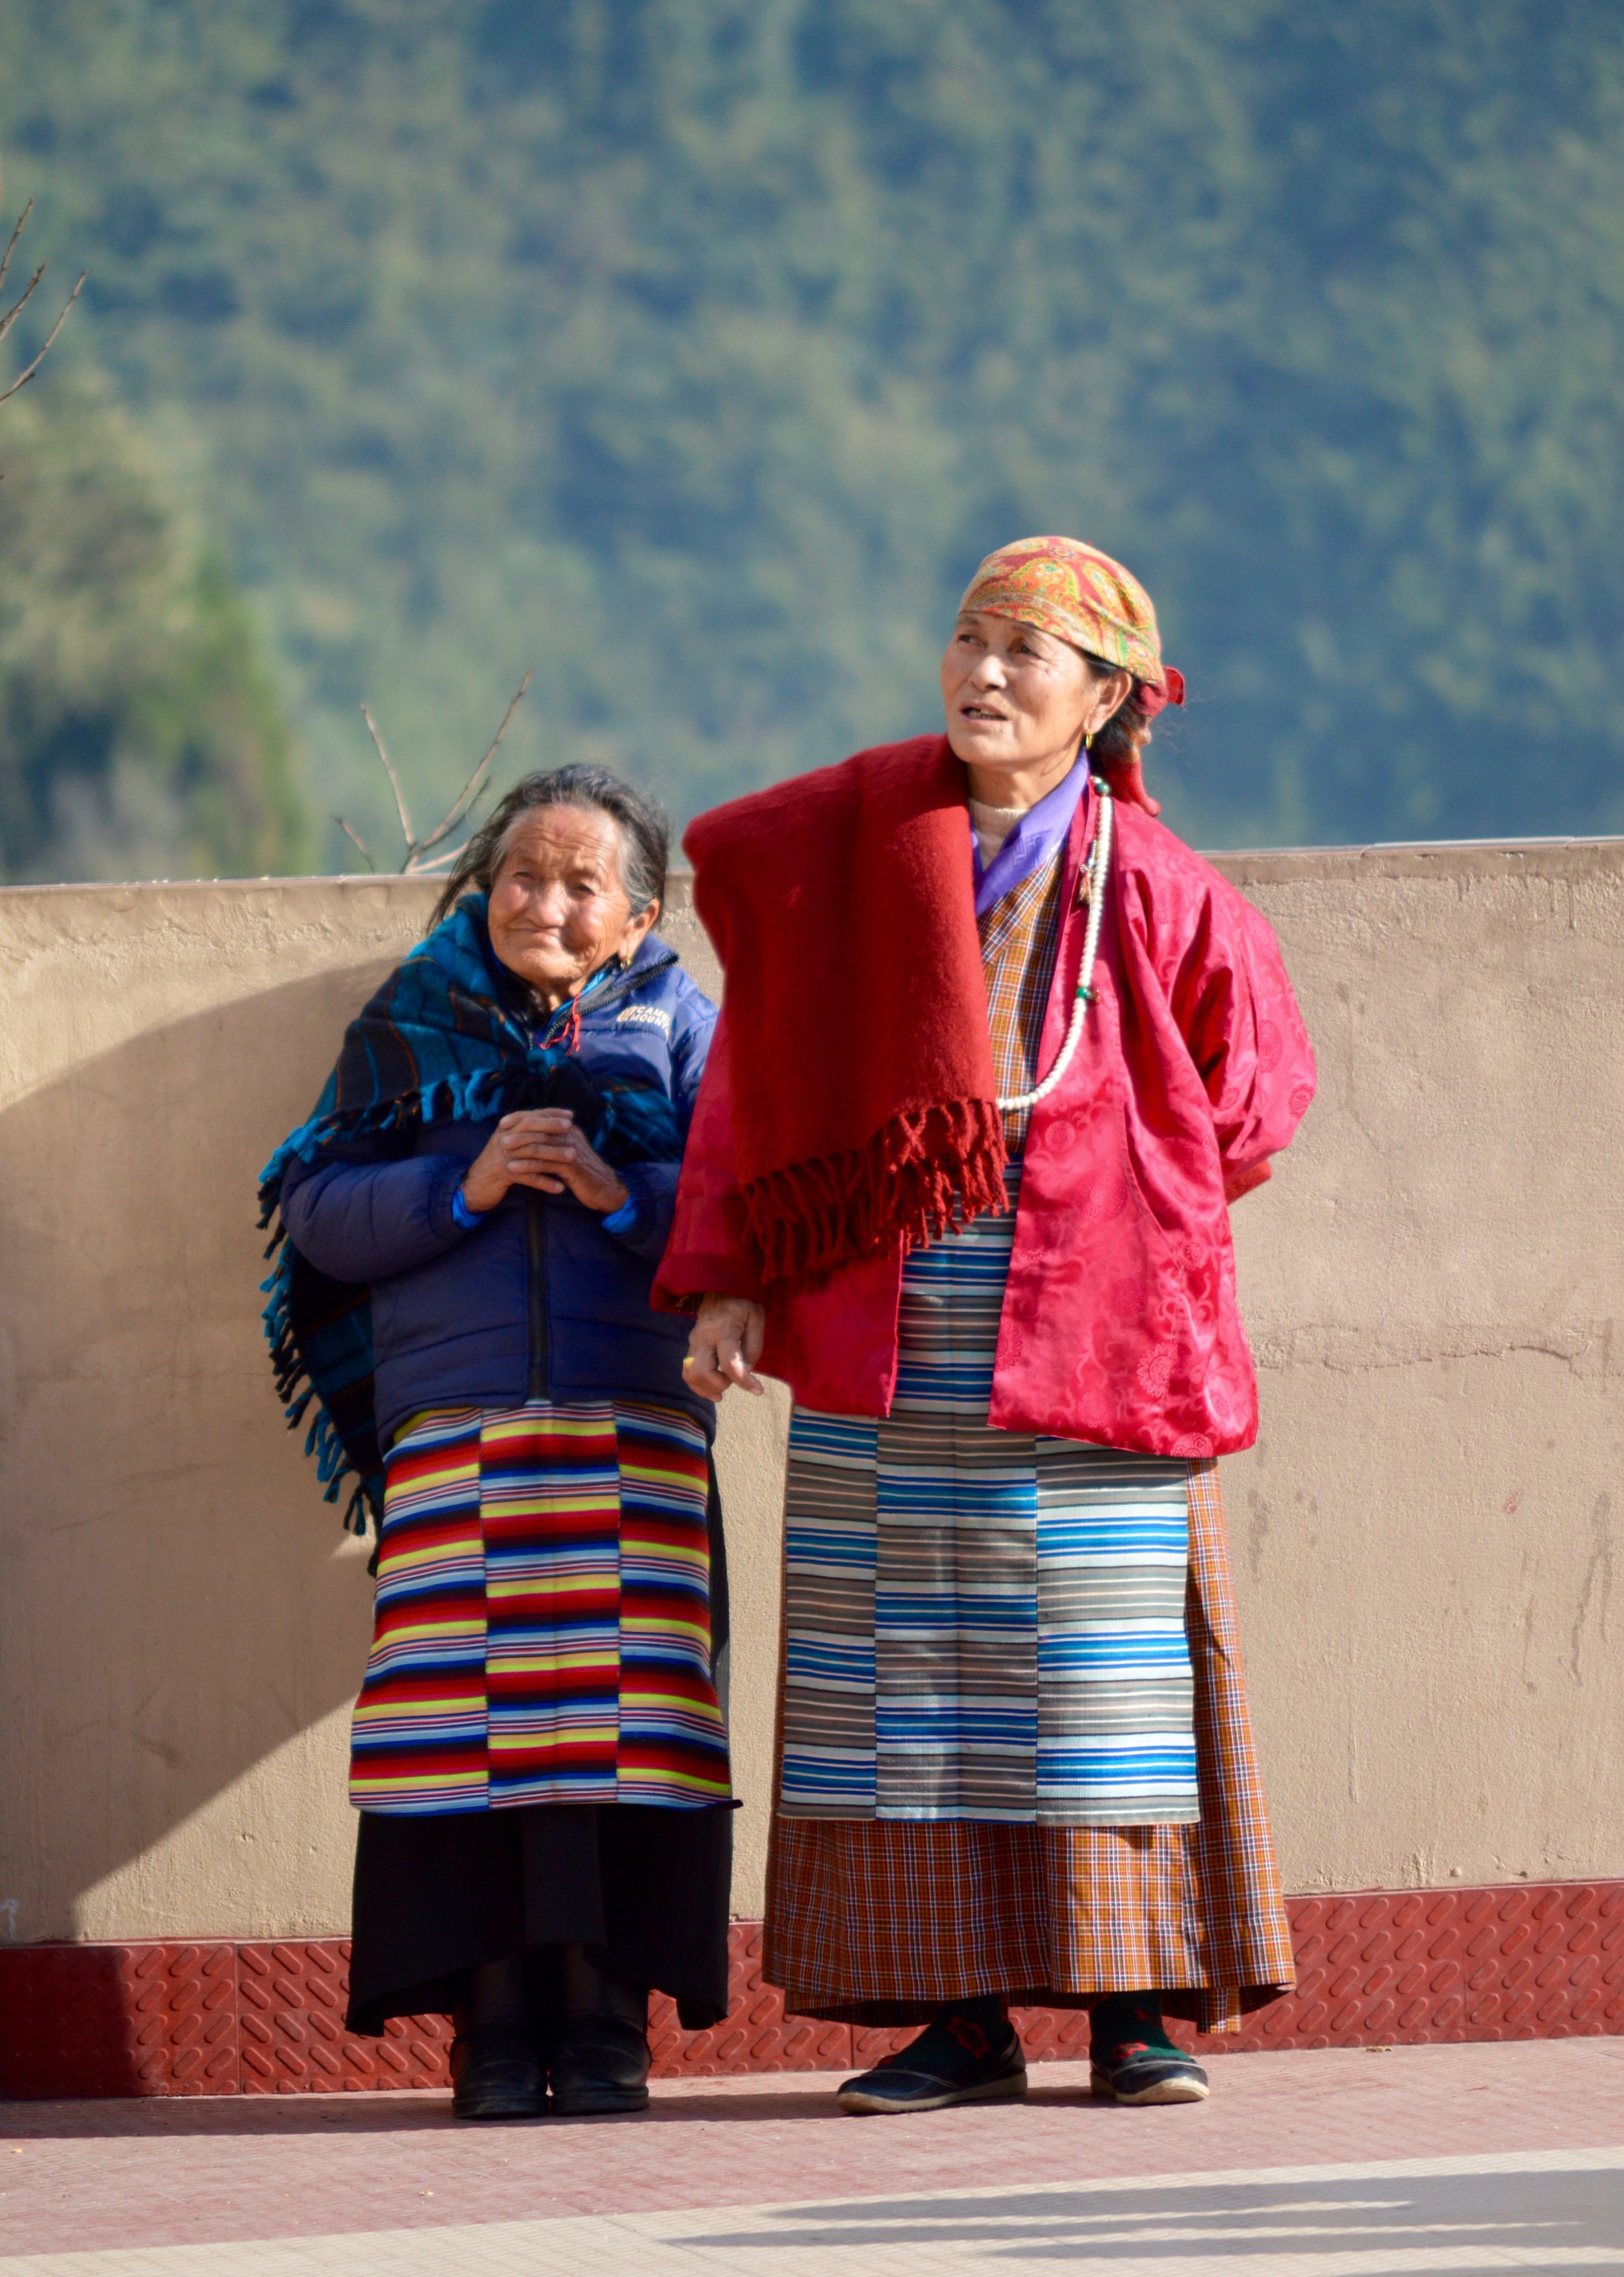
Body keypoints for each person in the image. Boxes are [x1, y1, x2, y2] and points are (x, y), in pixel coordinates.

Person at [657, 535, 1315, 2114]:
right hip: (884, 1319)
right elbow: (756, 1079)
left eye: (1027, 652)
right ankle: (957, 2022)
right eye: (968, 639)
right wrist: (735, 1268)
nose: (985, 673)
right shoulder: (860, 865)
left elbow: (1254, 1096)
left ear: (1105, 700)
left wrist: (1126, 1204)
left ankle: (1133, 2011)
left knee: (1100, 1673)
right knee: (904, 1674)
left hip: (1096, 1330)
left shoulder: (1157, 887)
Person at [259, 765, 730, 2122]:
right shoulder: (410, 1017)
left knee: (625, 1732)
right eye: (523, 873)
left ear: (639, 917)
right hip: (456, 1436)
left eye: (584, 884)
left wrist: (616, 1190)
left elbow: (739, 1208)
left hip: (634, 1430)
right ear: (484, 887)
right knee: (461, 1731)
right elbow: (317, 1209)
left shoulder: (678, 1025)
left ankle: (606, 2026)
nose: (545, 904)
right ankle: (491, 2030)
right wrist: (459, 1187)